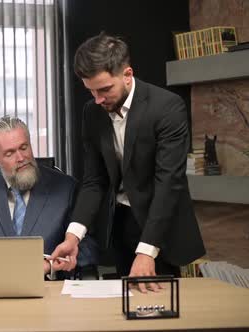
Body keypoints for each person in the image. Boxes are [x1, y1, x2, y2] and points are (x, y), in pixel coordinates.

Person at [51, 32, 205, 291]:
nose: (98, 99)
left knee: (161, 310)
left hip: (160, 226)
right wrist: (73, 235)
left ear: (127, 74)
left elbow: (168, 182)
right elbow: (95, 179)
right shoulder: (93, 112)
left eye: (104, 89)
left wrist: (146, 252)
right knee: (125, 307)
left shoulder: (167, 108)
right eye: (91, 91)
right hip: (120, 224)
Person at [0, 116, 98, 279]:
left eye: (24, 147)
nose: (21, 158)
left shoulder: (65, 188)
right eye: (9, 153)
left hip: (49, 292)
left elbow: (87, 248)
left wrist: (50, 265)